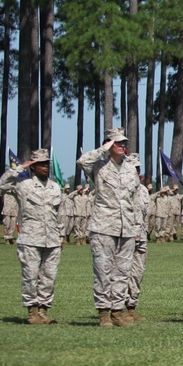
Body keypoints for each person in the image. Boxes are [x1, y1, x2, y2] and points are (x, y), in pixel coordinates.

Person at [77, 127, 141, 328]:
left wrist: (137, 225)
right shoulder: (99, 166)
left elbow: (135, 199)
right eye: (118, 143)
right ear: (109, 145)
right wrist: (102, 149)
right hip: (104, 225)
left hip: (127, 227)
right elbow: (82, 161)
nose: (122, 146)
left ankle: (118, 311)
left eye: (124, 143)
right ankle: (104, 312)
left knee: (122, 272)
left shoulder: (130, 168)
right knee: (103, 271)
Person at [0, 149, 64, 325]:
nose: (45, 167)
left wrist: (62, 235)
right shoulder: (23, 186)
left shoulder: (55, 187)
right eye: (41, 164)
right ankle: (31, 311)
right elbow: (2, 184)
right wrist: (20, 167)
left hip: (52, 239)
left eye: (47, 164)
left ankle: (43, 310)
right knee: (30, 275)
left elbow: (60, 214)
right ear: (33, 167)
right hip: (30, 239)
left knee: (49, 277)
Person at [126, 153, 150, 322]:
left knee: (137, 272)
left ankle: (131, 306)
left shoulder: (142, 190)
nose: (137, 171)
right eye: (134, 168)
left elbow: (145, 214)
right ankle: (118, 307)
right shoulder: (122, 188)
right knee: (120, 273)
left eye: (138, 168)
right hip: (124, 235)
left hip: (140, 237)